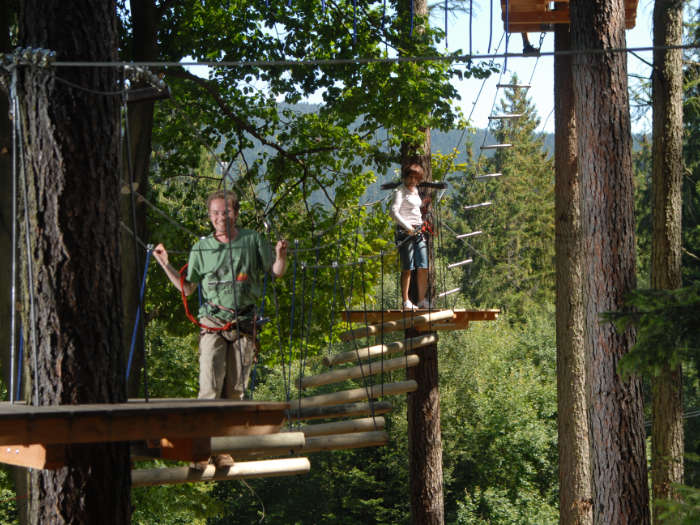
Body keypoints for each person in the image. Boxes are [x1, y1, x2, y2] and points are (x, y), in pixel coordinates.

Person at [153, 189, 288, 469]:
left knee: (235, 391)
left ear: (235, 213)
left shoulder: (252, 241)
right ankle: (201, 451)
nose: (220, 218)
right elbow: (187, 288)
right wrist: (164, 265)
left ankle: (222, 450)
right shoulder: (202, 248)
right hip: (212, 323)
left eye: (225, 212)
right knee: (209, 388)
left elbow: (275, 271)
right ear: (210, 216)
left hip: (244, 325)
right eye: (215, 213)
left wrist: (279, 255)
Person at [390, 163, 430, 310]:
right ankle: (406, 301)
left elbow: (414, 209)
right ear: (406, 177)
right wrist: (407, 227)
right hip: (405, 232)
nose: (412, 180)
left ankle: (421, 300)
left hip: (418, 231)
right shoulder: (399, 191)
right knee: (408, 267)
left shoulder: (415, 191)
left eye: (416, 177)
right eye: (410, 177)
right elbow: (393, 212)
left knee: (423, 266)